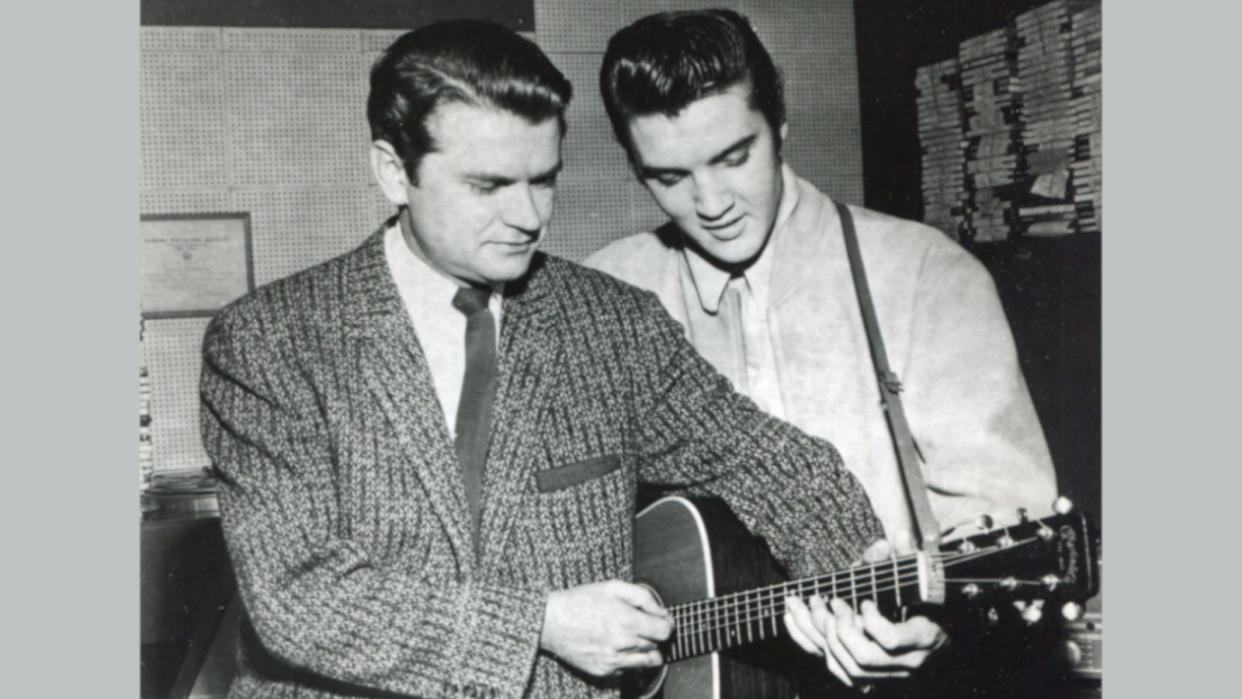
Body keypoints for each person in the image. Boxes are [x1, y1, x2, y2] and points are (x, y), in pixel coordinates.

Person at [199, 19, 943, 699]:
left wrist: (867, 573)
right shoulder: (271, 341)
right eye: (488, 185)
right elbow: (299, 596)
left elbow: (768, 459)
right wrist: (537, 625)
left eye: (544, 178)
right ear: (395, 171)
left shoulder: (611, 323)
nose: (528, 216)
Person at [587, 7, 1057, 551]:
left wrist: (933, 626)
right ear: (634, 166)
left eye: (735, 158)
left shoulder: (926, 274)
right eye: (670, 177)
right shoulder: (607, 292)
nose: (712, 204)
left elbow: (1005, 518)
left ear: (780, 122)